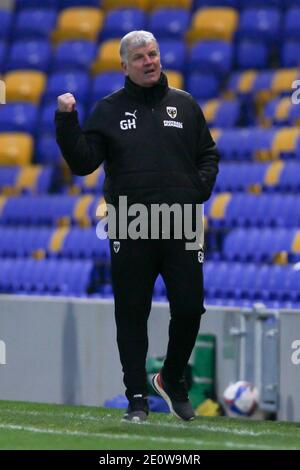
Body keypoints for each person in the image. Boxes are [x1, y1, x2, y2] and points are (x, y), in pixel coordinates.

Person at [55, 30, 219, 423]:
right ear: (124, 65)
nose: (150, 61)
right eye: (141, 57)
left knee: (190, 306)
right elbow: (83, 163)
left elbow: (208, 155)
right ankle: (137, 399)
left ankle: (172, 379)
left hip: (181, 223)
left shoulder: (185, 104)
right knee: (131, 313)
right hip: (130, 223)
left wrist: (197, 189)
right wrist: (66, 121)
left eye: (154, 54)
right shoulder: (109, 110)